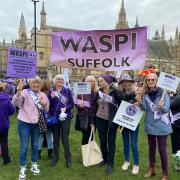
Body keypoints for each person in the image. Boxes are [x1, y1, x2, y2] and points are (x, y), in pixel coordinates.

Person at [90, 74, 136, 174]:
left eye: (101, 81)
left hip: (112, 120)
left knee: (111, 142)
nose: (99, 83)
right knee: (102, 140)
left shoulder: (115, 92)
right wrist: (92, 121)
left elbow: (125, 97)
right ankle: (104, 158)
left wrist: (135, 92)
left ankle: (110, 163)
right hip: (99, 119)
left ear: (107, 82)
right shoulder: (98, 92)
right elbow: (93, 106)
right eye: (99, 81)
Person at [136, 73, 172, 180]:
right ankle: (151, 169)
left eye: (153, 79)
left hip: (162, 125)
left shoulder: (163, 94)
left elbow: (166, 109)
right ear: (146, 82)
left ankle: (165, 173)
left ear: (156, 81)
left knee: (162, 149)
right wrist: (140, 102)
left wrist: (162, 107)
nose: (151, 81)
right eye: (148, 80)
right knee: (151, 148)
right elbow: (145, 108)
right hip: (150, 124)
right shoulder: (146, 94)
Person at [12, 77, 49, 180]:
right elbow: (16, 104)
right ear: (30, 84)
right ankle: (23, 168)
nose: (35, 85)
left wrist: (44, 104)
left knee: (35, 145)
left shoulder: (42, 95)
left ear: (40, 85)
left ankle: (34, 164)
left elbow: (47, 109)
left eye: (37, 83)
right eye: (33, 83)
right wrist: (18, 93)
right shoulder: (24, 92)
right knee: (24, 146)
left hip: (37, 124)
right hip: (24, 123)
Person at [48, 74, 74, 167]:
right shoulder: (51, 91)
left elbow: (72, 104)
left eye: (61, 79)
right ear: (55, 81)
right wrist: (50, 98)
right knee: (55, 139)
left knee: (65, 138)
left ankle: (68, 159)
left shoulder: (67, 90)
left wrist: (66, 108)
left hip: (65, 117)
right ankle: (55, 158)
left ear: (64, 81)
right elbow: (48, 105)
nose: (60, 81)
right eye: (58, 79)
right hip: (55, 118)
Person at [118, 74, 140, 175]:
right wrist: (133, 101)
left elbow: (140, 103)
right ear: (121, 84)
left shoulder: (137, 92)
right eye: (124, 82)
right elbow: (122, 101)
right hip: (123, 121)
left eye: (128, 82)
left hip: (133, 121)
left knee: (133, 144)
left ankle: (136, 164)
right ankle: (126, 161)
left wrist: (137, 102)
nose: (126, 83)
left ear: (131, 83)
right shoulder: (119, 93)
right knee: (126, 143)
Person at [75, 76, 97, 145]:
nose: (91, 83)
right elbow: (76, 104)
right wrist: (79, 106)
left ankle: (90, 153)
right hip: (84, 117)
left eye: (92, 81)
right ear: (85, 82)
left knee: (92, 136)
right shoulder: (81, 93)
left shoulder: (96, 92)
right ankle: (85, 153)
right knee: (85, 136)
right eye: (89, 81)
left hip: (94, 117)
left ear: (94, 82)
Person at [0, 82, 16, 165]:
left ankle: (6, 159)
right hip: (3, 123)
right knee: (4, 141)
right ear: (2, 89)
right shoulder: (6, 98)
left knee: (3, 141)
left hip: (3, 123)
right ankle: (6, 159)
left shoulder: (6, 98)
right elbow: (12, 110)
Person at [38, 79, 53, 160]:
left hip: (40, 117)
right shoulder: (51, 93)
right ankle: (50, 153)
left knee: (40, 135)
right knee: (49, 135)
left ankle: (38, 153)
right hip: (49, 117)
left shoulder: (38, 93)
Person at [170, 91, 180, 160]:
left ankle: (176, 153)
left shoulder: (178, 98)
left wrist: (172, 97)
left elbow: (171, 105)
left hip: (177, 122)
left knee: (176, 139)